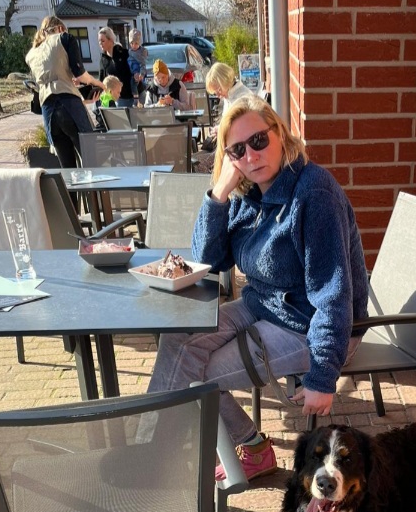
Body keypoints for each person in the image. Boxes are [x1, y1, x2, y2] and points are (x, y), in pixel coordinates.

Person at [147, 95, 369, 481]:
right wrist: (219, 194)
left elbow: (332, 293)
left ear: (279, 133)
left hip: (310, 324)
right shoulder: (249, 194)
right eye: (237, 150)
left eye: (258, 140)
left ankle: (158, 457)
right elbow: (208, 259)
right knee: (179, 338)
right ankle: (158, 448)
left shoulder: (313, 193)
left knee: (200, 375)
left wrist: (323, 376)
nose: (250, 155)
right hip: (264, 305)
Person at [25, 16, 105, 168]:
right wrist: (97, 83)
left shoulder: (31, 55)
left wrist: (84, 99)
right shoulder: (65, 39)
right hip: (69, 107)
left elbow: (52, 86)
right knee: (91, 160)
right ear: (60, 28)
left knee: (67, 168)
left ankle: (70, 185)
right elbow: (80, 74)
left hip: (48, 112)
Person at [98, 26, 135, 108]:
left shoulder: (124, 54)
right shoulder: (103, 59)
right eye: (99, 41)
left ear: (111, 40)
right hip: (111, 98)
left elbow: (132, 72)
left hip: (127, 96)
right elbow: (101, 80)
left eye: (103, 41)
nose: (100, 43)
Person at [127, 29, 147, 106]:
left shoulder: (140, 53)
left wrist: (141, 74)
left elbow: (143, 64)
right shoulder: (129, 52)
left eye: (136, 43)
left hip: (137, 71)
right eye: (131, 43)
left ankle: (136, 99)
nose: (133, 46)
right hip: (132, 71)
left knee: (133, 83)